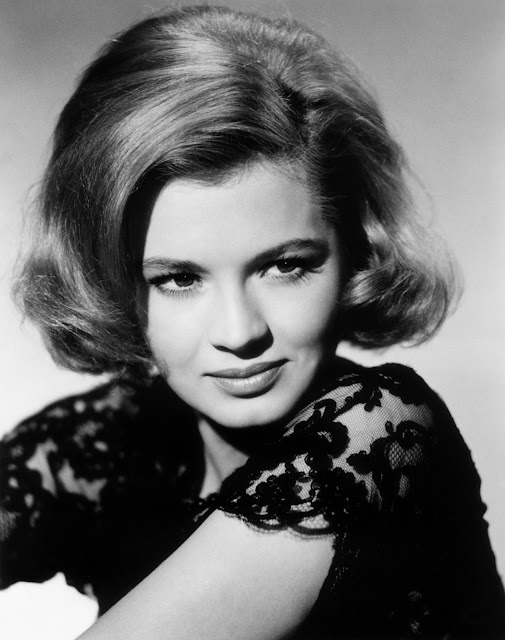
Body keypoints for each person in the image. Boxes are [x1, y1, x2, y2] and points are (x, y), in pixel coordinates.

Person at [1, 5, 504, 639]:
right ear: (109, 281)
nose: (239, 334)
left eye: (285, 266)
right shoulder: (109, 439)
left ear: (354, 251)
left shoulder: (380, 433)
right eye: (178, 279)